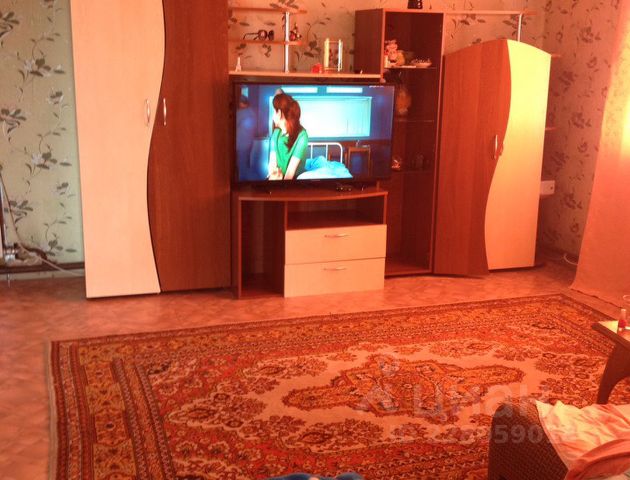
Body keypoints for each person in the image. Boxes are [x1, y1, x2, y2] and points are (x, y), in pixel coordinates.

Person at [268, 92, 309, 180]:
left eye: (274, 112)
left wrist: (282, 185)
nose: (272, 116)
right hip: (278, 178)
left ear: (279, 113)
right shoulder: (276, 133)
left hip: (294, 179)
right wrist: (273, 176)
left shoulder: (302, 136)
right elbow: (272, 162)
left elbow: (291, 171)